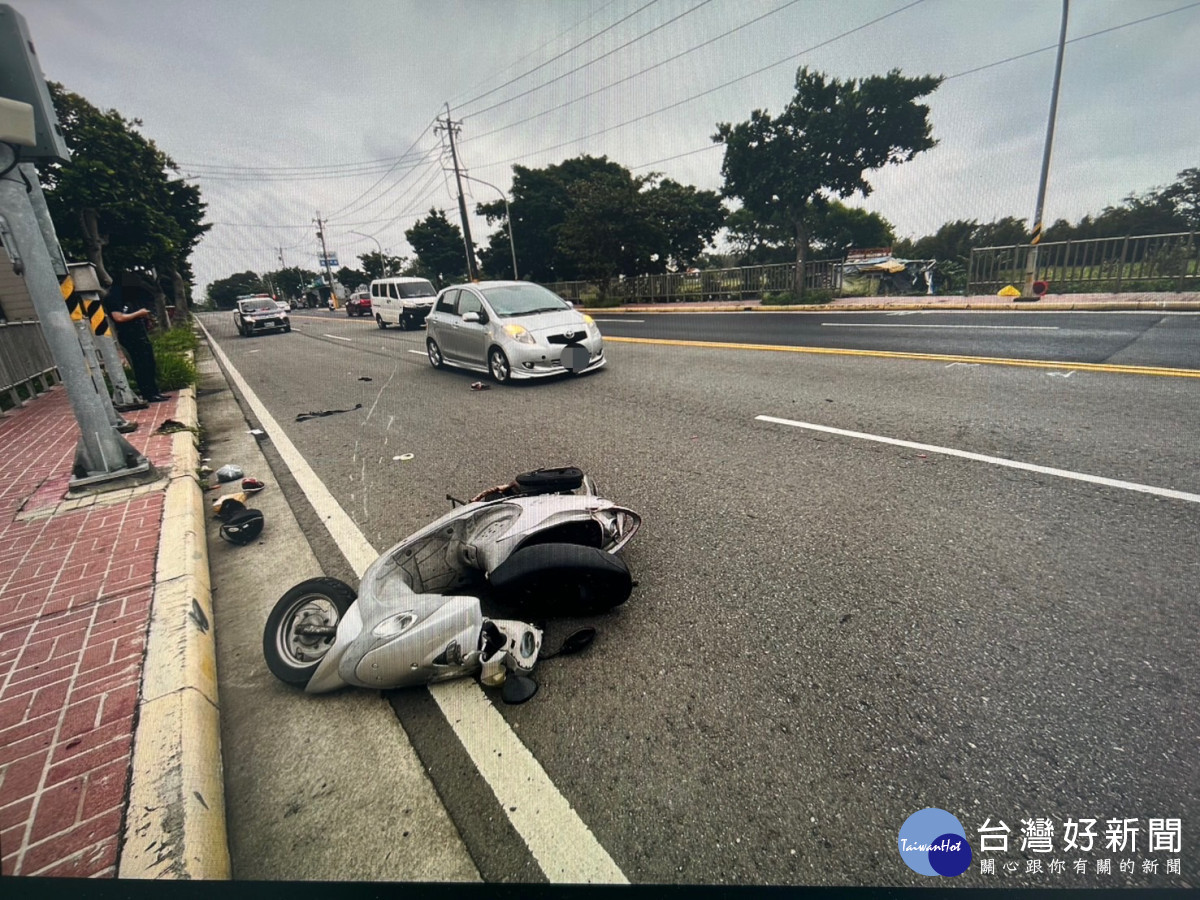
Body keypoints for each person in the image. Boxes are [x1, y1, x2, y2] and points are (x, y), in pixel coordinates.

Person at [102, 273, 169, 402]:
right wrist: (139, 313)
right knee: (141, 365)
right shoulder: (113, 298)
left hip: (139, 333)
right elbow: (118, 317)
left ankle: (155, 391)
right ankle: (148, 393)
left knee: (149, 363)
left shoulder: (128, 298)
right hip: (129, 335)